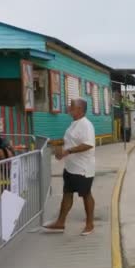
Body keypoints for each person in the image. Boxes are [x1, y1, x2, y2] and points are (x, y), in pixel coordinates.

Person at [43, 98, 96, 236]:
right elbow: (70, 141)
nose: (68, 107)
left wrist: (68, 151)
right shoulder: (74, 124)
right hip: (70, 167)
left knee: (86, 195)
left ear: (79, 109)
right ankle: (60, 222)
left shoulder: (86, 125)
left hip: (83, 168)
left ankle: (90, 224)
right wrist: (57, 144)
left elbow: (88, 144)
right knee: (67, 194)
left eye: (71, 106)